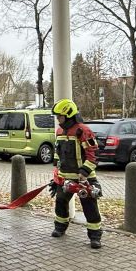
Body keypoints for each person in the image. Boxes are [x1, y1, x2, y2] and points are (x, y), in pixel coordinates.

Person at [47, 99, 103, 248]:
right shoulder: (59, 131)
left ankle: (95, 236)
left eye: (60, 116)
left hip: (84, 177)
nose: (58, 119)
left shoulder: (83, 131)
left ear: (69, 115)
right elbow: (58, 151)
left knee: (89, 206)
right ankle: (60, 227)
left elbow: (93, 153)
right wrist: (56, 169)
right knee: (60, 202)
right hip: (65, 176)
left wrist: (84, 172)